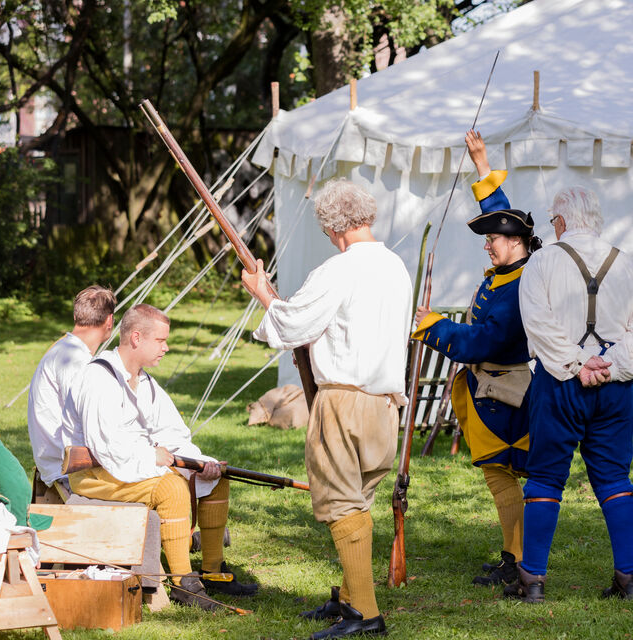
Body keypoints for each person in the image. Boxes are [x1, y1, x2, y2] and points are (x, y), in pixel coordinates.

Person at [241, 178, 412, 640]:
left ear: (332, 226)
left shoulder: (340, 269)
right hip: (384, 406)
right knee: (358, 501)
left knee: (342, 503)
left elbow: (294, 324)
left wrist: (263, 293)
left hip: (345, 400)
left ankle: (365, 614)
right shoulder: (396, 266)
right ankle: (352, 598)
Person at [507, 185, 633, 604]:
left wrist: (578, 364)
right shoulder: (627, 265)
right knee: (614, 478)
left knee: (545, 477)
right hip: (613, 388)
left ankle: (532, 580)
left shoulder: (542, 262)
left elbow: (537, 324)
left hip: (560, 384)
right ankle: (629, 578)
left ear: (560, 221)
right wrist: (610, 365)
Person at [64, 303, 257, 610]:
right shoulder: (98, 378)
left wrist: (200, 464)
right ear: (136, 338)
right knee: (171, 487)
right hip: (96, 474)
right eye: (160, 340)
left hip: (131, 463)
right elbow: (105, 444)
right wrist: (151, 456)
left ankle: (213, 572)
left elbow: (173, 434)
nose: (166, 348)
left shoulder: (146, 382)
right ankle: (183, 583)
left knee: (216, 478)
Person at [413, 130, 540, 587]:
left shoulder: (519, 286)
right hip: (490, 389)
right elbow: (501, 214)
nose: (488, 245)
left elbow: (485, 342)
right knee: (500, 477)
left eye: (494, 240)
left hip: (504, 392)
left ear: (517, 242)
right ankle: (514, 556)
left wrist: (432, 327)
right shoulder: (512, 268)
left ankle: (517, 561)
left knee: (502, 477)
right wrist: (482, 165)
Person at [28, 285, 116, 490]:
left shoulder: (67, 350)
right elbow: (88, 423)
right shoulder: (75, 360)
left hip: (61, 460)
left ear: (76, 316)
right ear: (109, 321)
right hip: (68, 468)